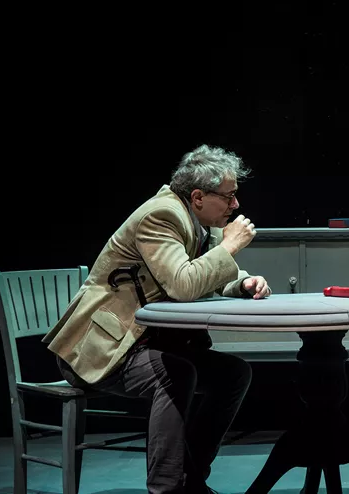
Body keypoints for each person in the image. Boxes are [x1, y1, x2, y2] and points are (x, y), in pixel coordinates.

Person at [43, 144, 271, 494]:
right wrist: (229, 247)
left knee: (233, 374)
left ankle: (191, 479)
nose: (236, 204)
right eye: (228, 196)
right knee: (175, 374)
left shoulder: (199, 221)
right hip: (99, 350)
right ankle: (167, 488)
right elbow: (183, 284)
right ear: (198, 196)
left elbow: (206, 274)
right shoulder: (160, 216)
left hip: (143, 344)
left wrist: (242, 283)